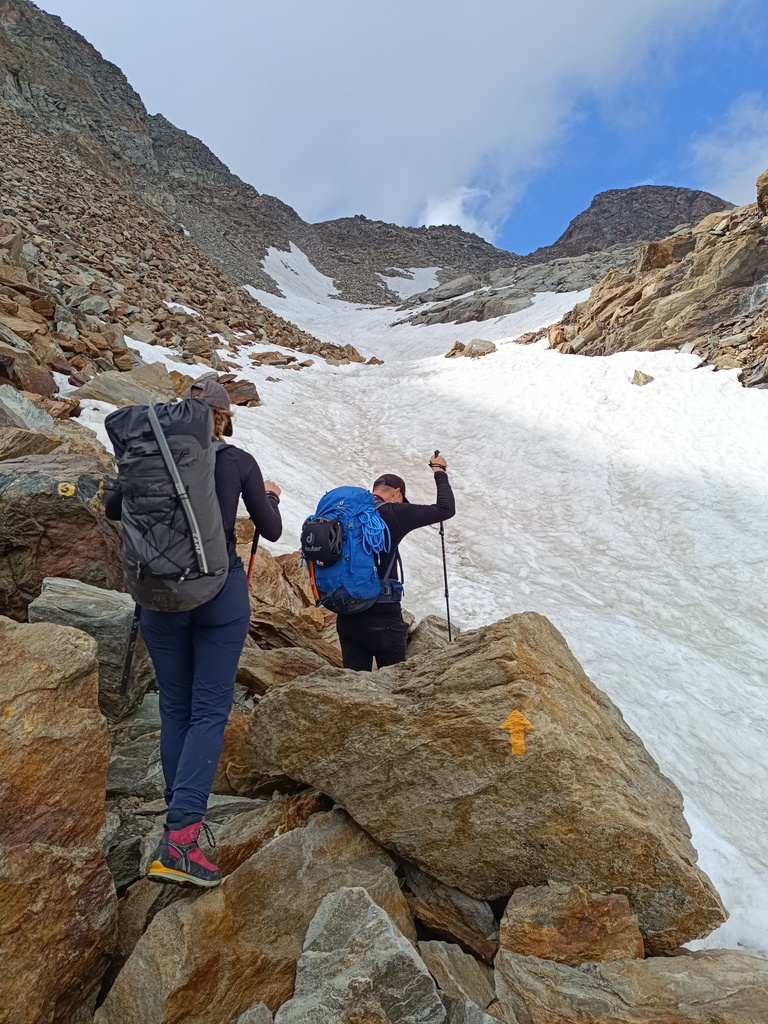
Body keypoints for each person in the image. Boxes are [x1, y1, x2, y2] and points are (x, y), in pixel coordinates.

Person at [106, 380, 282, 887]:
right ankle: (181, 841)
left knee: (174, 707)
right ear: (223, 418)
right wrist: (267, 497)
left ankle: (175, 813)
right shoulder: (238, 460)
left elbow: (114, 510)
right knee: (209, 710)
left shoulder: (150, 456)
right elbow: (270, 530)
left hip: (159, 596)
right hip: (218, 593)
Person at [335, 453, 455, 671]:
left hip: (347, 616)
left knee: (352, 689)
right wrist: (439, 471)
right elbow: (445, 509)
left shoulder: (344, 513)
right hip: (383, 618)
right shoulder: (393, 513)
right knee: (393, 690)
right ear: (397, 493)